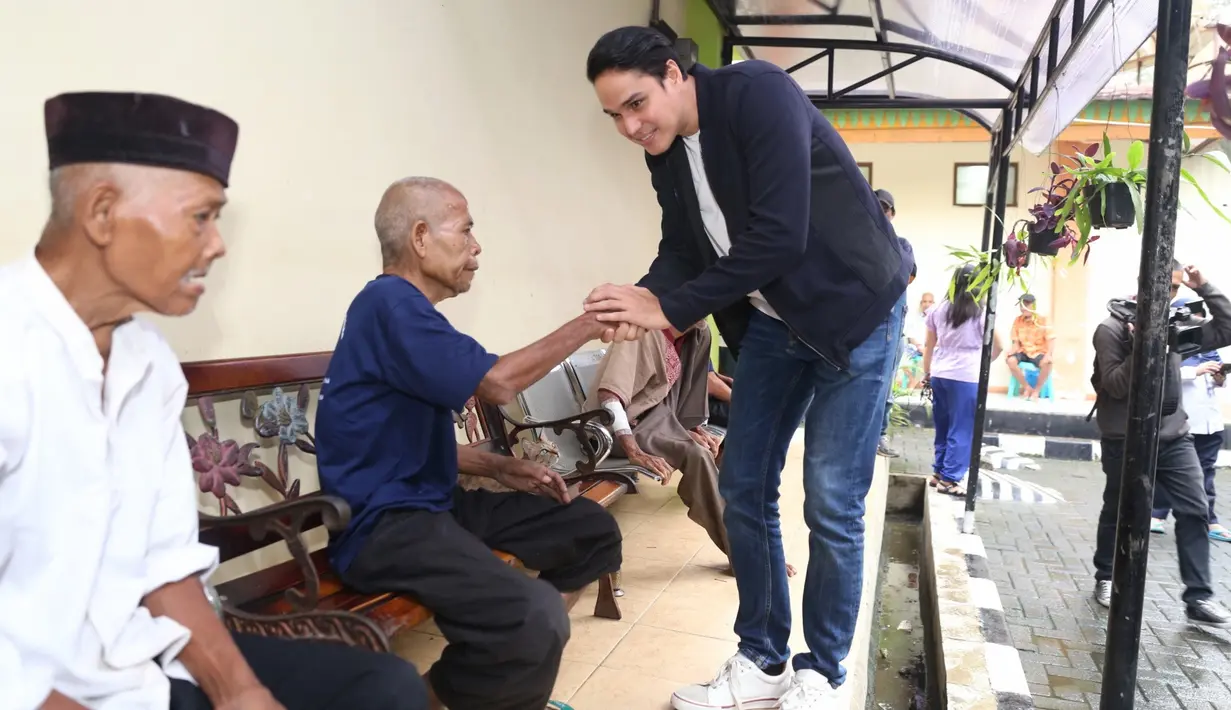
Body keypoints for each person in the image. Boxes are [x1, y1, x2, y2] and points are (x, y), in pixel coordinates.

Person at [0, 92, 427, 710]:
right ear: (101, 212)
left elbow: (163, 561)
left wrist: (241, 693)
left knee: (382, 690)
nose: (218, 244)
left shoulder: (146, 360)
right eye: (201, 217)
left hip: (141, 660)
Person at [583, 27, 912, 709]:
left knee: (829, 498)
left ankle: (820, 672)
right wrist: (642, 297)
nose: (629, 125)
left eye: (636, 103)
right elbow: (683, 247)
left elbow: (778, 235)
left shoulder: (757, 93)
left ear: (674, 74)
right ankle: (762, 661)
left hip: (854, 314)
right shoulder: (666, 151)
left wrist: (667, 310)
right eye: (614, 115)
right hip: (772, 322)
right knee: (743, 482)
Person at [314, 176, 625, 710]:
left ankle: (512, 669)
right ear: (419, 237)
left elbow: (384, 439)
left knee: (589, 530)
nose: (477, 247)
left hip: (433, 505)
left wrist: (495, 466)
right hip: (383, 528)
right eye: (466, 230)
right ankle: (483, 679)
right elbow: (499, 383)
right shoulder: (391, 304)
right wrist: (591, 323)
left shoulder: (399, 311)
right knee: (534, 617)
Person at [1089, 260, 1231, 626]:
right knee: (1119, 509)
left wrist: (1205, 287)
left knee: (1195, 509)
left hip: (1172, 434)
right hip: (1125, 435)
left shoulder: (1177, 325)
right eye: (1164, 286)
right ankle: (1106, 577)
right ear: (1143, 283)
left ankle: (1199, 598)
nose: (1169, 294)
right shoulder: (1112, 328)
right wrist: (1142, 344)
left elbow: (1227, 328)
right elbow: (1117, 385)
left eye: (1175, 288)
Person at [584, 322, 728, 557]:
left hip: (655, 421)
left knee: (708, 443)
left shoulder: (697, 332)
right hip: (615, 429)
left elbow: (682, 392)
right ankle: (740, 552)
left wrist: (688, 428)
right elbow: (610, 397)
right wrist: (634, 451)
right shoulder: (641, 331)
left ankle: (743, 534)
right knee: (697, 454)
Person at [923, 265, 1004, 496]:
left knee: (944, 425)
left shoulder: (938, 309)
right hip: (966, 377)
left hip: (940, 374)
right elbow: (998, 346)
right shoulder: (981, 311)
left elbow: (929, 345)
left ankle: (938, 472)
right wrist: (983, 364)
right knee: (962, 427)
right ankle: (949, 479)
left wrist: (927, 372)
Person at [1151, 345, 1230, 541]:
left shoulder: (1211, 349)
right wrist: (1196, 371)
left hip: (1210, 423)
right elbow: (1163, 374)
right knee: (1171, 470)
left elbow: (1214, 385)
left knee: (1206, 472)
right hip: (1183, 423)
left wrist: (1220, 379)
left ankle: (1209, 519)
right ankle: (1156, 514)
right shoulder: (1174, 345)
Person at [874, 189, 912, 458]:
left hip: (892, 331)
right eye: (876, 207)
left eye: (885, 209)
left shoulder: (902, 244)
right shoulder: (857, 241)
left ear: (892, 213)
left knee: (885, 389)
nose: (881, 213)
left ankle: (879, 437)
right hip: (861, 332)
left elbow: (906, 276)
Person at [1006, 293, 1055, 400]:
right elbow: (1015, 342)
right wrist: (1012, 351)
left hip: (1039, 352)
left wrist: (1048, 354)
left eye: (1027, 304)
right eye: (1022, 305)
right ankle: (1027, 388)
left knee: (1048, 363)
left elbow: (1051, 338)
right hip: (1023, 351)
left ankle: (1036, 391)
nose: (1024, 307)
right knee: (1010, 361)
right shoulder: (1017, 320)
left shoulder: (1043, 320)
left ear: (1034, 305)